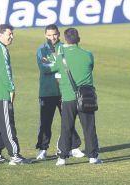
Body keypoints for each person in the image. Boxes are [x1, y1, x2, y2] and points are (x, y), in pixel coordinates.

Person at [41, 27, 102, 166]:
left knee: (66, 127)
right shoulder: (88, 54)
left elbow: (48, 69)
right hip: (86, 96)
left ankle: (62, 158)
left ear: (65, 40)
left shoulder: (60, 56)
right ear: (78, 39)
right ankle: (93, 157)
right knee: (89, 127)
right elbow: (90, 67)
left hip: (68, 97)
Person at [35, 24, 84, 160]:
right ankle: (43, 149)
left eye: (55, 34)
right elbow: (44, 68)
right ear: (45, 35)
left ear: (59, 34)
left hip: (64, 91)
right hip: (47, 91)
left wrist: (55, 65)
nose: (52, 37)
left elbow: (70, 65)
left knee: (69, 120)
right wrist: (60, 66)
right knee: (45, 122)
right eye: (49, 35)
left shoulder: (65, 47)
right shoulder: (41, 50)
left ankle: (74, 147)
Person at [0, 24, 29, 165]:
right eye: (9, 34)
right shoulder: (1, 49)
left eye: (12, 34)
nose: (12, 36)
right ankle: (15, 155)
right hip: (1, 93)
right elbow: (5, 71)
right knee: (7, 124)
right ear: (0, 34)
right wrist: (11, 89)